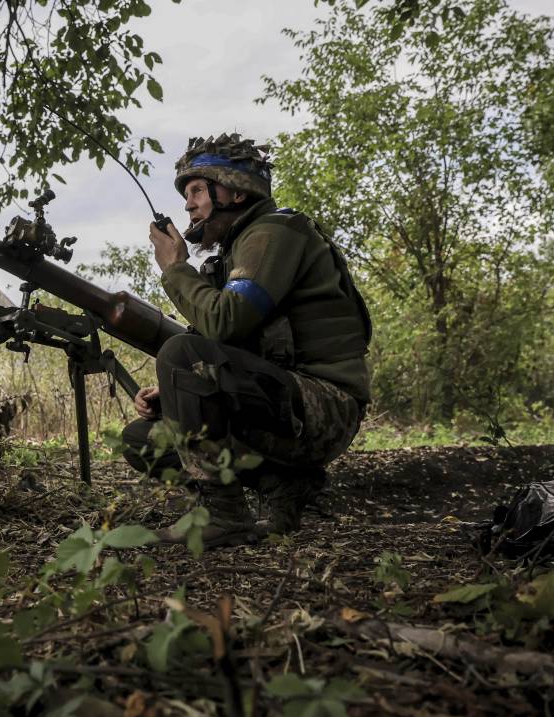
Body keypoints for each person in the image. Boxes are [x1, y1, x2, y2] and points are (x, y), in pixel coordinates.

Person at [122, 133, 372, 547]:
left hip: (326, 404)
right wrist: (173, 396)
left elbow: (225, 323)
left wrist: (176, 269)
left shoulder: (274, 233)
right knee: (141, 440)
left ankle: (225, 515)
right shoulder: (235, 254)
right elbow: (226, 352)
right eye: (188, 194)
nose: (189, 204)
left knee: (179, 353)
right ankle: (283, 484)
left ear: (235, 192)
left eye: (198, 190)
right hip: (284, 403)